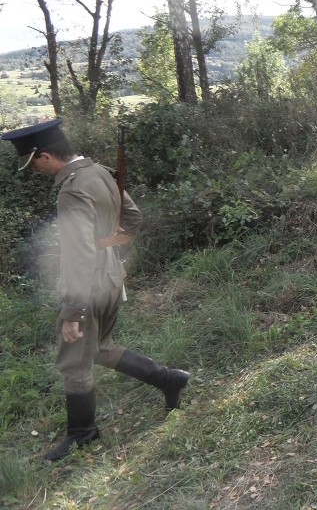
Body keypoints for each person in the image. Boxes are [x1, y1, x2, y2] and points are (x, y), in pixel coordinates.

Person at [1, 119, 190, 462]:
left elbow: (78, 254)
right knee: (99, 347)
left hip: (86, 289)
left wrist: (73, 312)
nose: (35, 171)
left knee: (74, 361)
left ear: (45, 155)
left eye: (33, 164)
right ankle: (168, 379)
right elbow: (132, 217)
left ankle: (82, 434)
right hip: (111, 281)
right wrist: (109, 251)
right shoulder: (100, 172)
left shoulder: (72, 190)